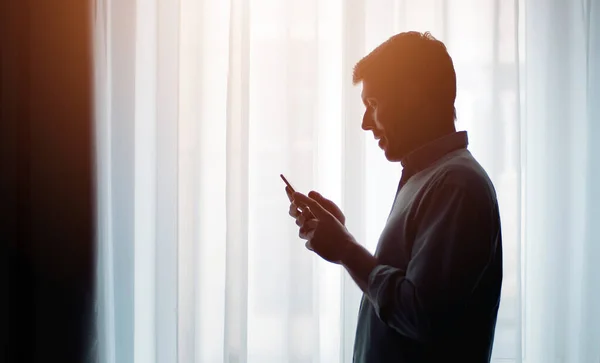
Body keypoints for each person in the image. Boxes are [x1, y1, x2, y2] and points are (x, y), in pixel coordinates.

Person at [286, 31, 503, 363]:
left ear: (414, 97)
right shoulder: (429, 178)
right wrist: (341, 238)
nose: (364, 123)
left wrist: (345, 248)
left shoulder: (455, 185)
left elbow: (422, 316)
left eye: (373, 105)